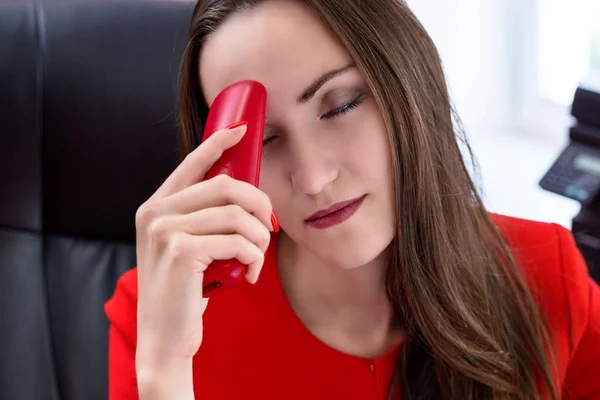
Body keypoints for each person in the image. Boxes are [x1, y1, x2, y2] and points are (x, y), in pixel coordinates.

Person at [104, 0, 600, 399]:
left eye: (340, 105)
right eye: (263, 140)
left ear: (406, 83)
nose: (313, 178)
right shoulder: (165, 312)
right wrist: (165, 372)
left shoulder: (546, 273)